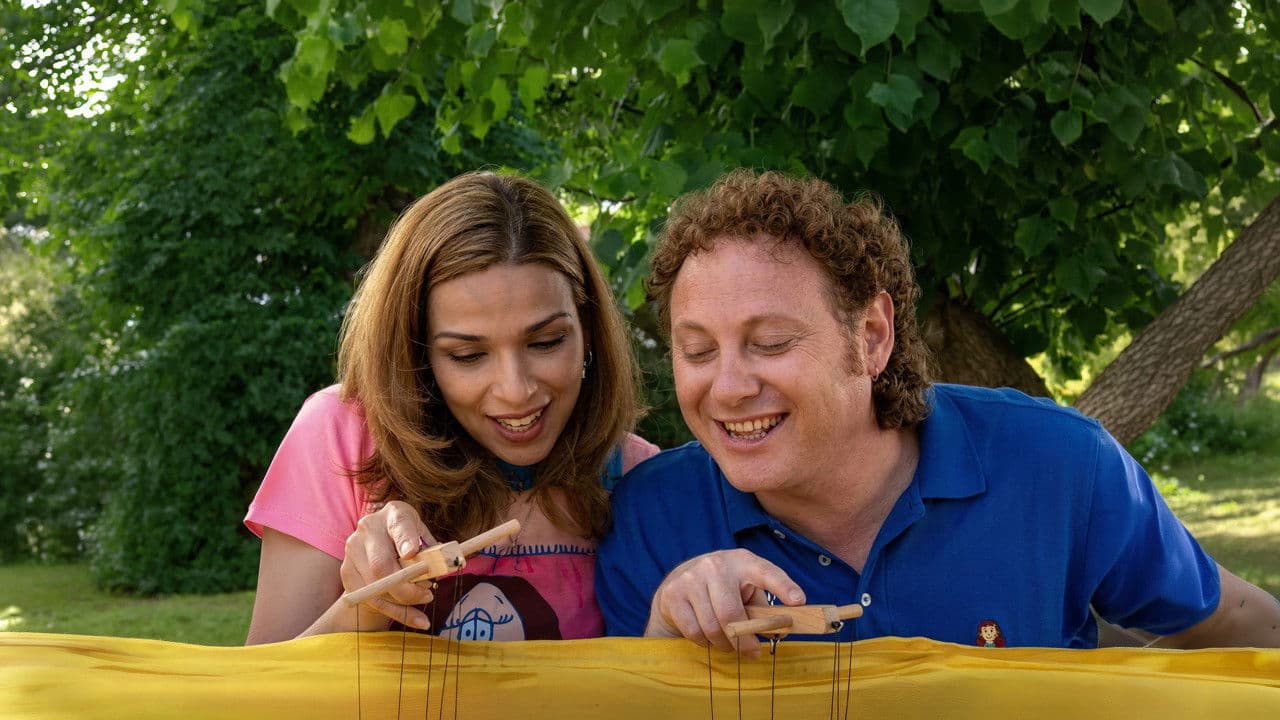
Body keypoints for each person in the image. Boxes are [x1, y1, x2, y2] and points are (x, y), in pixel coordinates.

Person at [595, 169, 1280, 655]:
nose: (728, 387)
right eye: (697, 351)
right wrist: (663, 640)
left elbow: (1237, 626)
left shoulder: (1059, 462)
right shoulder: (650, 517)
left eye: (771, 342)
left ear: (871, 337)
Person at [244, 171, 657, 644]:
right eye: (467, 355)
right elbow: (264, 679)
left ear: (589, 331)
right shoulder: (339, 435)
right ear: (417, 357)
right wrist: (363, 609)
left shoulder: (641, 477)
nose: (516, 390)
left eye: (546, 342)